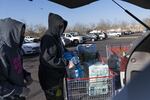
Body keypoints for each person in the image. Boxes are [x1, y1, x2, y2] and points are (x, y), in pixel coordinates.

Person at [38, 13, 70, 100]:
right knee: (55, 97)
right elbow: (48, 60)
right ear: (54, 25)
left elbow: (62, 49)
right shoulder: (48, 38)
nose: (61, 29)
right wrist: (66, 62)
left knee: (61, 96)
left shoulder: (57, 37)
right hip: (50, 80)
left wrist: (70, 54)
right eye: (60, 26)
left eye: (62, 27)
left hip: (57, 77)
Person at [0, 18, 32, 100]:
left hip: (19, 95)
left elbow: (17, 67)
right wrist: (20, 91)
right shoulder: (2, 51)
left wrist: (26, 75)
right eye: (20, 33)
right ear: (11, 32)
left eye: (23, 33)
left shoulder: (16, 48)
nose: (22, 36)